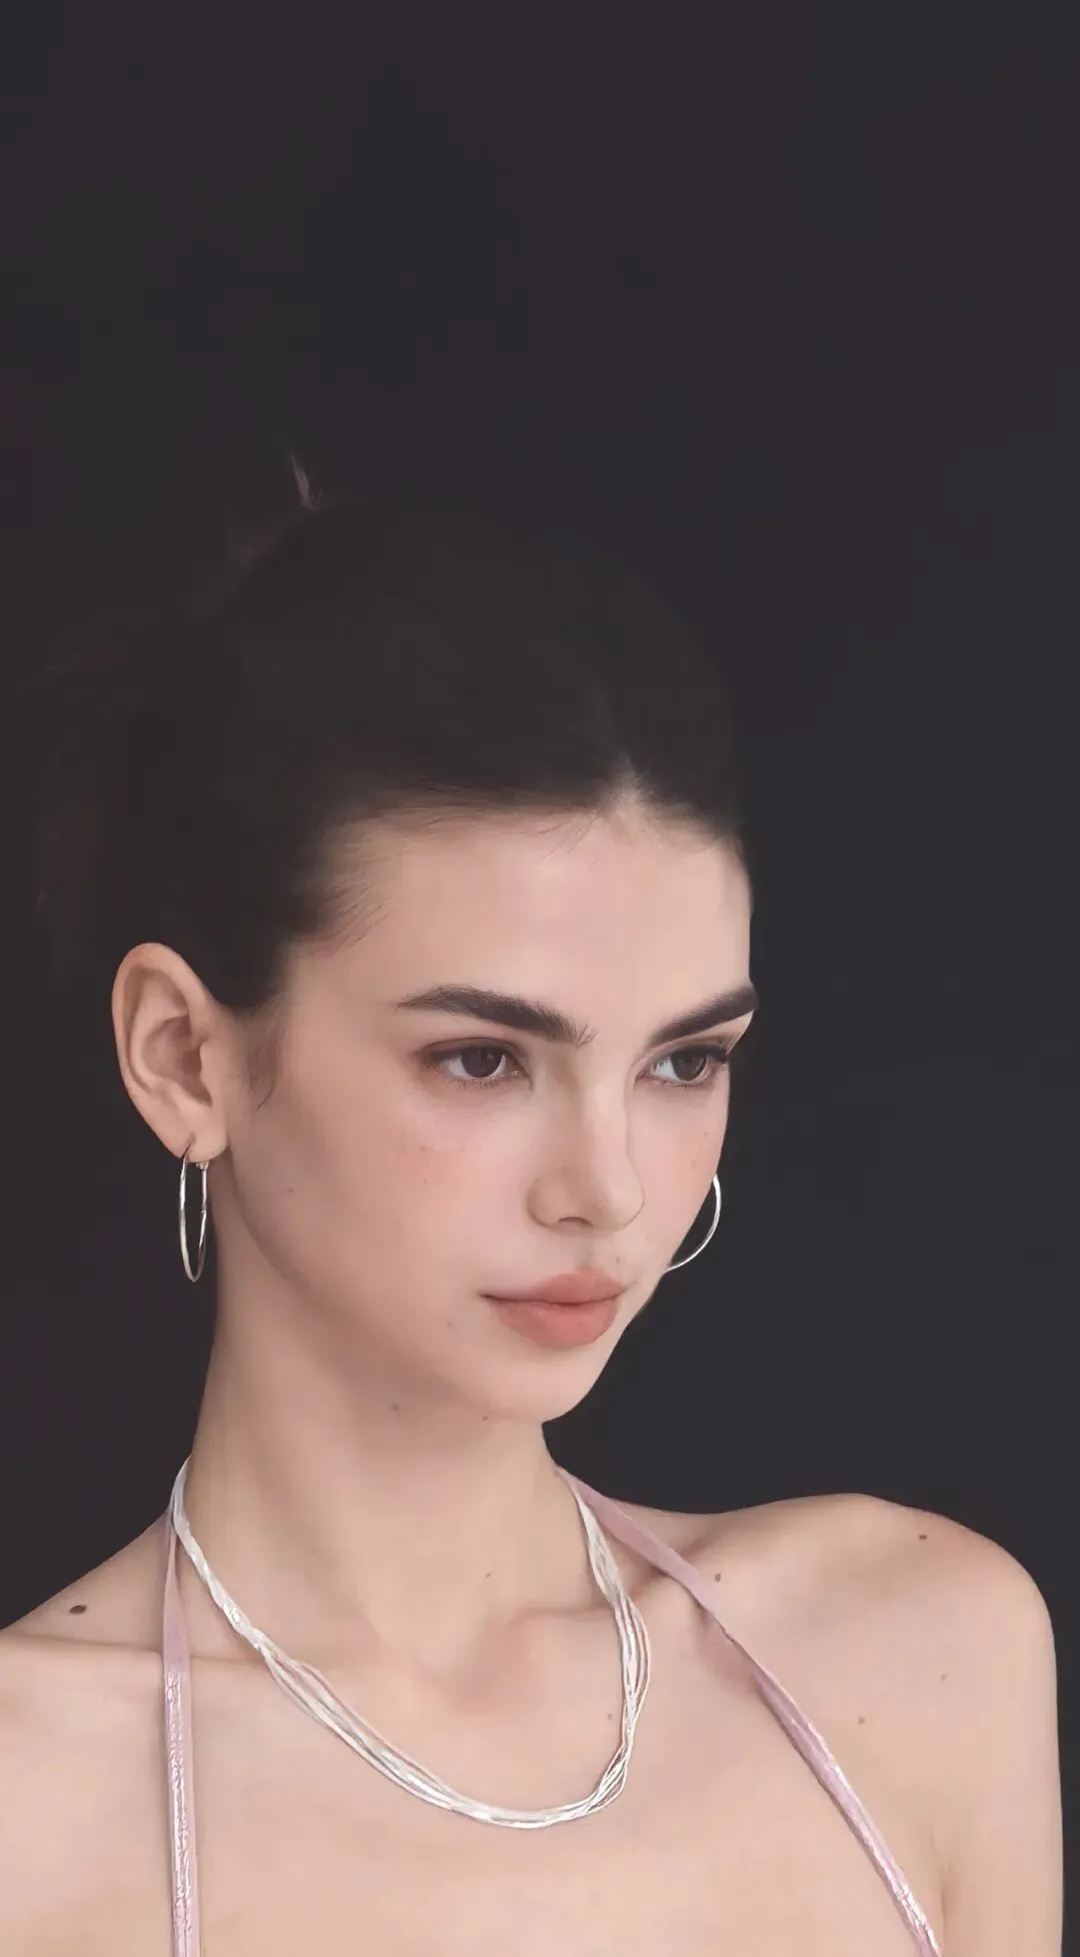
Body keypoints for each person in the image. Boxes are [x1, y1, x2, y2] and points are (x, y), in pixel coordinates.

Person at [0, 460, 1061, 1955]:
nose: (607, 1189)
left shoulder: (919, 1658)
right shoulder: (32, 1816)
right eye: (483, 1060)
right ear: (184, 1057)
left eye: (684, 1062)